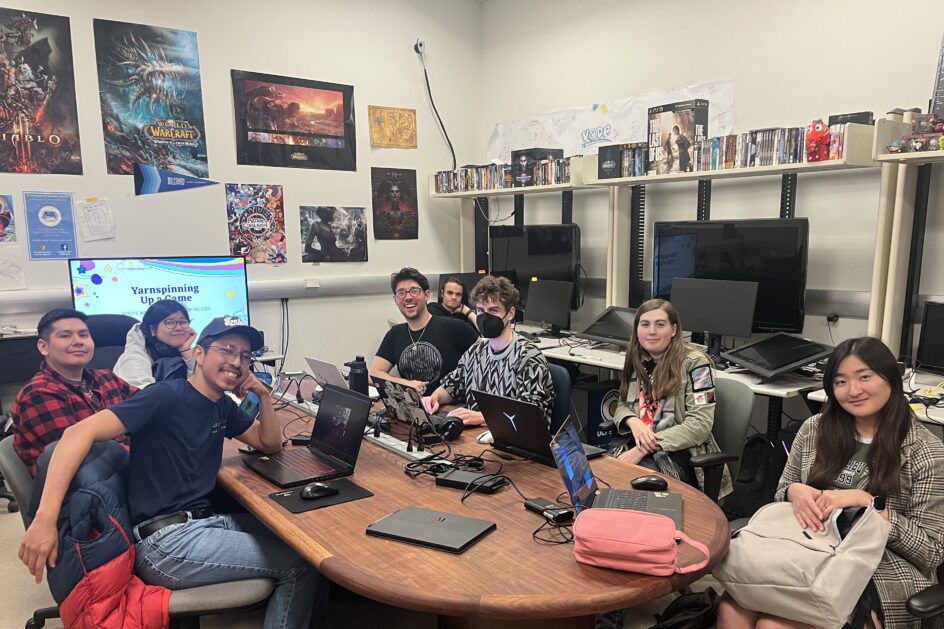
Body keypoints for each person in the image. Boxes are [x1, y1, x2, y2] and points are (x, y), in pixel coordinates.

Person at [19, 316, 328, 628]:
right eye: (227, 350)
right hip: (166, 543)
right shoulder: (165, 396)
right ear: (199, 354)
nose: (236, 362)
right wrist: (44, 520)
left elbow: (269, 443)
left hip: (203, 523)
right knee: (299, 565)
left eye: (245, 356)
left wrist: (263, 396)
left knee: (300, 540)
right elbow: (75, 435)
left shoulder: (221, 403)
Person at [718, 337, 944, 629]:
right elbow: (781, 497)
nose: (854, 390)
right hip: (806, 548)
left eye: (865, 377)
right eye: (841, 382)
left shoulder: (926, 452)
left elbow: (932, 553)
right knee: (731, 608)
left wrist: (870, 507)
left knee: (773, 626)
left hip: (877, 565)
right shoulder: (815, 429)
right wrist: (793, 492)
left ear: (890, 378)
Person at [606, 299, 731, 495]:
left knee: (631, 489)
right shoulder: (638, 358)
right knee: (602, 478)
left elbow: (700, 425)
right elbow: (623, 403)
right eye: (645, 324)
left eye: (660, 324)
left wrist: (642, 449)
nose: (652, 331)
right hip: (636, 442)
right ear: (637, 329)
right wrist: (634, 422)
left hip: (680, 453)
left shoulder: (697, 365)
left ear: (673, 330)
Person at [11, 308, 137, 475]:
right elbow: (85, 457)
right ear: (43, 347)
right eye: (65, 335)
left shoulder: (106, 378)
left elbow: (147, 407)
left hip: (125, 474)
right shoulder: (39, 393)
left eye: (84, 335)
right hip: (84, 490)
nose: (78, 341)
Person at [422, 275, 554, 427]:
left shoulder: (528, 357)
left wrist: (482, 417)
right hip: (476, 437)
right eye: (480, 310)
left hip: (514, 440)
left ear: (510, 313)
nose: (485, 317)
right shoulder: (475, 351)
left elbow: (531, 415)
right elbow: (452, 385)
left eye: (493, 310)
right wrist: (435, 398)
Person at [371, 267, 479, 396]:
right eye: (401, 293)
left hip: (451, 408)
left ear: (427, 295)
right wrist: (404, 384)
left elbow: (487, 359)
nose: (408, 297)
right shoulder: (395, 334)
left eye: (414, 291)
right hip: (416, 409)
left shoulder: (455, 327)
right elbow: (374, 373)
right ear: (395, 299)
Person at [113, 299, 197, 388]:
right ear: (153, 329)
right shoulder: (133, 359)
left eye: (183, 322)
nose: (179, 328)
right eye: (170, 323)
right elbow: (148, 399)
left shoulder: (182, 352)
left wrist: (188, 355)